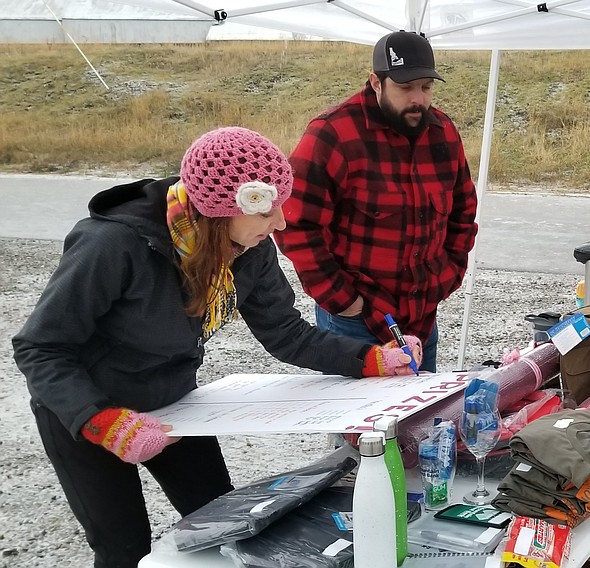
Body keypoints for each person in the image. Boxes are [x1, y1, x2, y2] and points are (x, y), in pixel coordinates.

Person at [11, 127, 422, 568]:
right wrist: (98, 420)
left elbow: (287, 332)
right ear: (222, 211)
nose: (281, 223)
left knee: (222, 522)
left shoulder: (248, 247)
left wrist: (368, 359)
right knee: (124, 547)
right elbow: (40, 346)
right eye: (270, 211)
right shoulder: (111, 245)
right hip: (87, 410)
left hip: (171, 404)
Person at [274, 30, 479, 373]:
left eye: (426, 87)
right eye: (405, 87)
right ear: (376, 82)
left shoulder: (442, 132)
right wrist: (343, 300)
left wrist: (448, 275)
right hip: (355, 323)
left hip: (422, 318)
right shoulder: (333, 133)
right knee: (360, 426)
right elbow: (295, 222)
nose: (418, 99)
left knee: (420, 422)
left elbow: (462, 212)